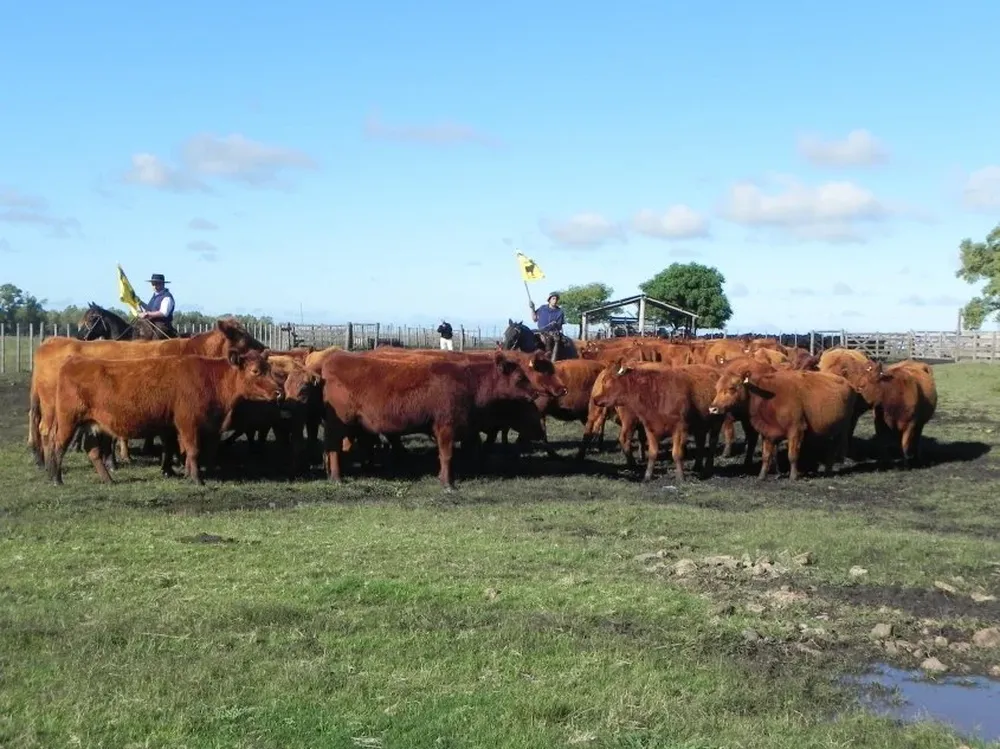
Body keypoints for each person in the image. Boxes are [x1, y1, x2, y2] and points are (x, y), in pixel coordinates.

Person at [138, 273, 178, 337]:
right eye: (153, 284)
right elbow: (149, 309)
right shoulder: (155, 296)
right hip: (151, 324)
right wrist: (140, 302)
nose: (154, 286)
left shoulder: (167, 297)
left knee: (155, 342)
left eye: (157, 283)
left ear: (162, 284)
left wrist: (148, 314)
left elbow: (163, 313)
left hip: (162, 326)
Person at [530, 292, 567, 356]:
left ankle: (549, 358)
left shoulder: (560, 311)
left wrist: (555, 324)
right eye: (553, 298)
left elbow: (559, 327)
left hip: (552, 333)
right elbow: (534, 319)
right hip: (540, 331)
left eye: (556, 299)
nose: (555, 300)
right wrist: (532, 308)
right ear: (549, 300)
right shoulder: (542, 308)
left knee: (548, 340)